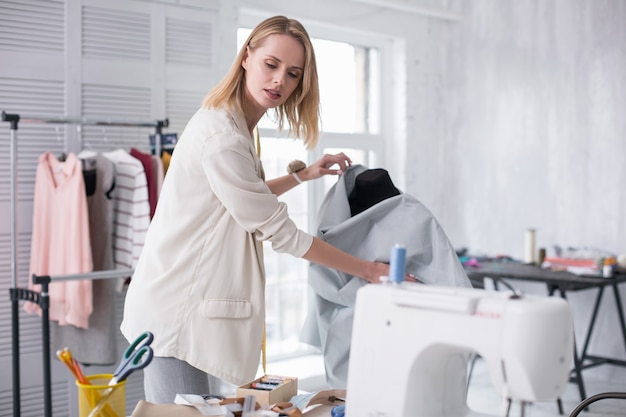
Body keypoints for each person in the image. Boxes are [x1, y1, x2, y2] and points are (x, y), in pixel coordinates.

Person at [120, 15, 413, 404]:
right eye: (271, 65)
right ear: (246, 57)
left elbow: (236, 198)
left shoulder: (235, 125)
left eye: (293, 74)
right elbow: (280, 233)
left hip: (173, 300)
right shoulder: (223, 137)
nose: (280, 82)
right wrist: (369, 271)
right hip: (174, 308)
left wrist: (302, 176)